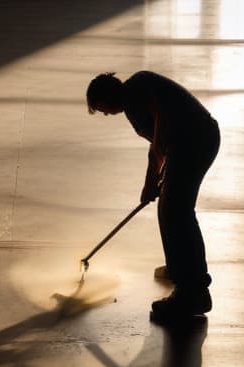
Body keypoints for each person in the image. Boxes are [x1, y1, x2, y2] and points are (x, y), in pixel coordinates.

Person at [86, 71, 220, 321]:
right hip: (190, 143)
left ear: (105, 97)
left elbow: (161, 131)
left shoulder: (136, 89)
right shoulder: (133, 97)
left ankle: (193, 291)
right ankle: (180, 268)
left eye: (101, 108)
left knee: (176, 212)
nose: (104, 113)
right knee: (171, 210)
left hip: (194, 142)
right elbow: (159, 142)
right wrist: (156, 177)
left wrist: (150, 182)